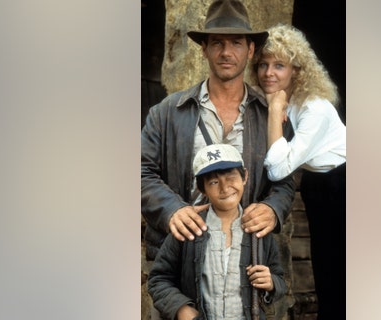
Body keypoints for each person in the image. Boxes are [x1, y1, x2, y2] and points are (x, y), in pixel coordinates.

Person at [141, 0, 295, 271]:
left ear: (250, 51)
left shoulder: (270, 115)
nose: (226, 52)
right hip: (180, 258)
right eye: (217, 43)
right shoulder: (166, 112)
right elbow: (141, 171)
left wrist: (272, 209)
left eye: (236, 43)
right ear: (204, 49)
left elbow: (285, 181)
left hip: (245, 262)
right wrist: (172, 210)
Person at [249, 23, 347, 319]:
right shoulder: (283, 102)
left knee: (345, 271)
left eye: (279, 65)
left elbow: (278, 168)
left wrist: (275, 110)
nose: (269, 73)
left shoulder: (314, 108)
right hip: (321, 185)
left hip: (346, 184)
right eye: (263, 65)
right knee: (327, 270)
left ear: (296, 70)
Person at [148, 144, 287, 320]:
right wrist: (183, 309)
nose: (224, 187)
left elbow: (280, 280)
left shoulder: (258, 229)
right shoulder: (189, 227)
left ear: (245, 176)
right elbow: (158, 280)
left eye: (231, 177)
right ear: (201, 188)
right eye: (213, 182)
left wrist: (271, 283)